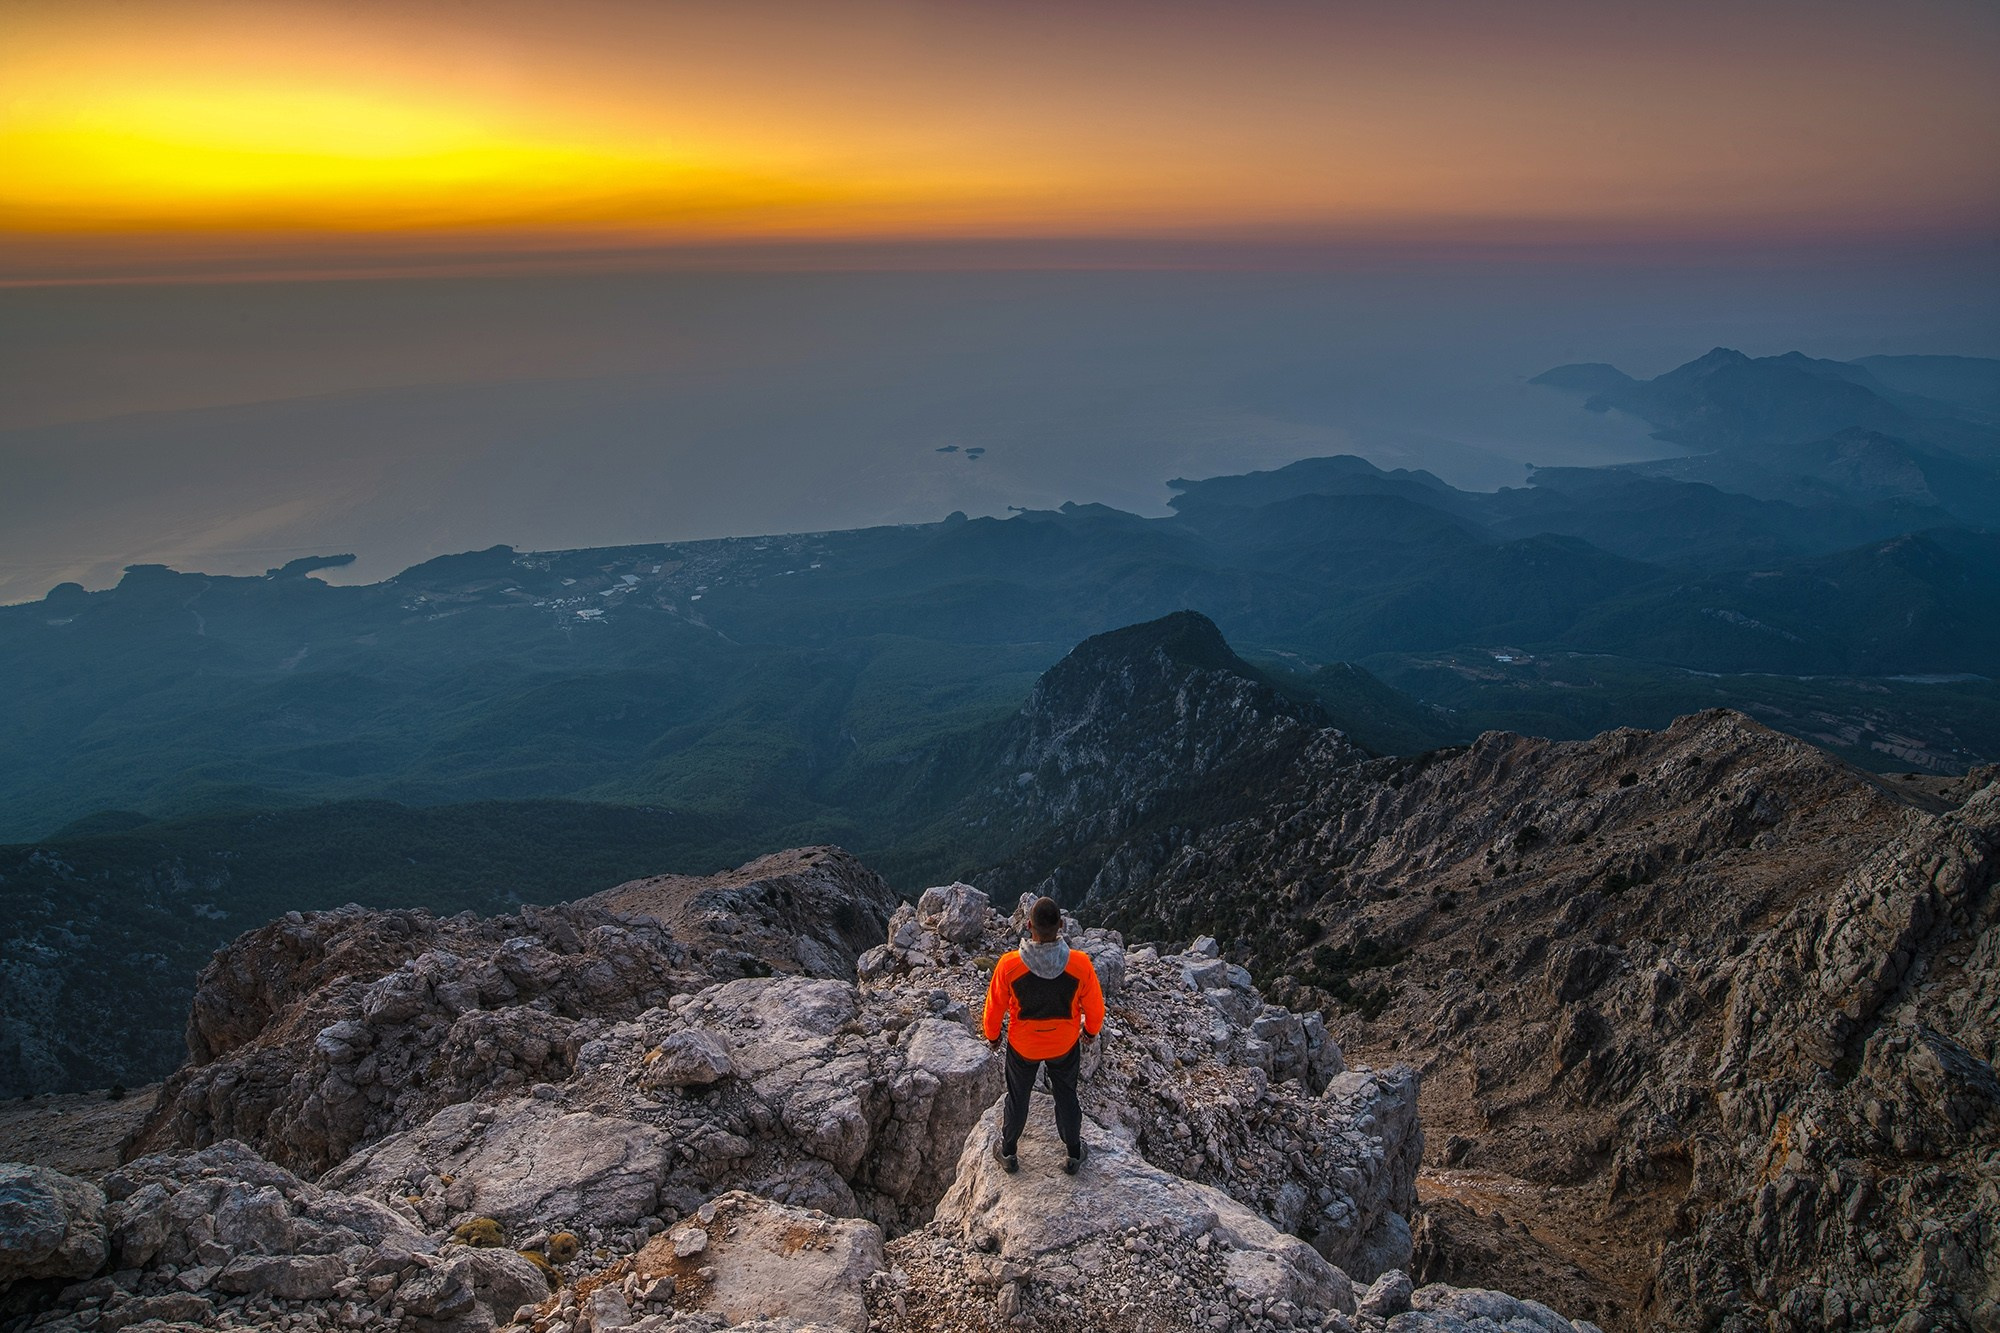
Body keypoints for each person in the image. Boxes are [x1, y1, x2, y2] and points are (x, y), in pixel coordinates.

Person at [981, 895, 1105, 1175]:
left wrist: (992, 1036)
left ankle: (1009, 1152)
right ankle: (1074, 1154)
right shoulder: (1080, 964)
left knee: (1018, 1097)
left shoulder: (1009, 965)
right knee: (1066, 1095)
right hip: (1064, 1043)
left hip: (1023, 1046)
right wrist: (1090, 1031)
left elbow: (994, 1008)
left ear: (1028, 925)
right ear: (1062, 925)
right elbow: (1096, 1009)